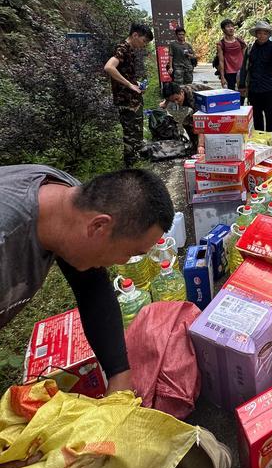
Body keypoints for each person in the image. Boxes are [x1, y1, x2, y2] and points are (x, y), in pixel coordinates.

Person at [0, 165, 174, 395]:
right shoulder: (7, 238)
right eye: (131, 252)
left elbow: (91, 285)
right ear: (99, 226)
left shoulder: (69, 197)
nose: (124, 262)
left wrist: (119, 374)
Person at [104, 23, 153, 168]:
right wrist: (129, 85)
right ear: (135, 35)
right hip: (125, 99)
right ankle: (130, 165)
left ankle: (137, 157)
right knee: (130, 132)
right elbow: (109, 67)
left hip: (133, 98)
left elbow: (125, 73)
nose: (143, 45)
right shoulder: (122, 48)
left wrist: (136, 84)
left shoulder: (130, 50)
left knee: (136, 129)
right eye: (144, 41)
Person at [239, 20, 272, 140]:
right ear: (256, 34)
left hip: (269, 91)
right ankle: (260, 144)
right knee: (257, 120)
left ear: (269, 34)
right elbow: (244, 68)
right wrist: (242, 85)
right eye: (260, 33)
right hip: (254, 90)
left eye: (265, 33)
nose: (262, 35)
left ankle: (270, 143)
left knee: (270, 120)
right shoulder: (250, 48)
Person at [160, 82, 204, 155]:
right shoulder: (175, 91)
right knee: (186, 122)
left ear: (182, 92)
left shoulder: (192, 98)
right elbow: (169, 96)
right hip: (202, 108)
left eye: (177, 99)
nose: (176, 103)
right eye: (173, 101)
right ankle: (194, 144)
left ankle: (200, 146)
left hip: (213, 104)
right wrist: (165, 103)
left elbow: (201, 122)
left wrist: (201, 145)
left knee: (193, 124)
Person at [216, 19, 246, 91]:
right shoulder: (221, 44)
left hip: (241, 71)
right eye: (228, 26)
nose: (231, 28)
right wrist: (222, 77)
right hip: (229, 73)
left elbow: (246, 57)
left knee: (242, 93)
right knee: (232, 94)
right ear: (223, 29)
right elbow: (221, 61)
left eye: (232, 26)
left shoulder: (240, 41)